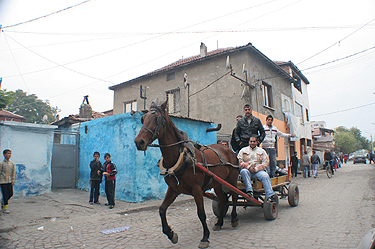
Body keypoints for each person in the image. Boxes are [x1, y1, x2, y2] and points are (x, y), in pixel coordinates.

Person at [237, 135, 277, 203]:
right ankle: (249, 191)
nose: (252, 143)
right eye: (251, 141)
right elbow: (239, 161)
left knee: (265, 176)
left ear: (257, 142)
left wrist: (256, 169)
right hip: (247, 171)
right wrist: (248, 167)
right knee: (243, 171)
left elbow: (266, 162)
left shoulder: (262, 151)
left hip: (258, 171)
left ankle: (270, 195)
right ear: (249, 142)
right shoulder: (243, 150)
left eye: (254, 141)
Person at [0, 149, 15, 214]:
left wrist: (13, 180)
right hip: (3, 181)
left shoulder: (12, 164)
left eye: (10, 153)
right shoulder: (2, 164)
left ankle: (3, 201)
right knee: (5, 195)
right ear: (4, 154)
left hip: (9, 181)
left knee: (10, 193)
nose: (9, 155)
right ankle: (5, 208)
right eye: (8, 153)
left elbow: (13, 172)